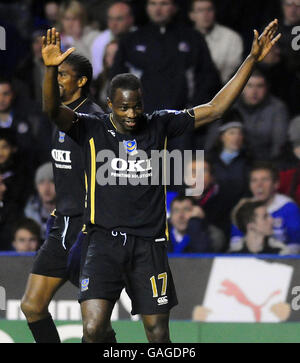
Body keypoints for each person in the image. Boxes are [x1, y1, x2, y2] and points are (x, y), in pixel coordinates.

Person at [41, 21, 280, 343]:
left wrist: (251, 59)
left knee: (157, 334)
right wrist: (49, 71)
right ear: (109, 105)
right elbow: (52, 109)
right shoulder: (91, 128)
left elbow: (216, 108)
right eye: (123, 107)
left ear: (143, 101)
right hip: (102, 244)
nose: (131, 113)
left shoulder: (161, 124)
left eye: (136, 105)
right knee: (94, 329)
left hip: (148, 246)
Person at [21, 53, 116, 343]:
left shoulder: (92, 119)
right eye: (56, 74)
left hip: (89, 229)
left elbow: (109, 176)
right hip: (61, 223)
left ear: (81, 80)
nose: (57, 79)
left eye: (62, 74)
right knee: (32, 306)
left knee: (95, 327)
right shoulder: (58, 113)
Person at [110, 0, 221, 113]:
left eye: (164, 4)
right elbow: (117, 79)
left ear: (174, 7)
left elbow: (207, 78)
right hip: (141, 120)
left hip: (183, 119)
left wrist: (193, 114)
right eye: (152, 4)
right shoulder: (131, 40)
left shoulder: (193, 38)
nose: (157, 9)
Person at [230, 162, 300, 254]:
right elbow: (235, 243)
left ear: (276, 184)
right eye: (254, 180)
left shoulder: (288, 207)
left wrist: (280, 257)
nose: (259, 185)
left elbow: (296, 244)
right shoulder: (244, 207)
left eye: (265, 179)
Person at [234, 68, 289, 160]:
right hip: (237, 163)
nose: (254, 92)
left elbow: (279, 145)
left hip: (267, 163)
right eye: (249, 86)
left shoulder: (278, 108)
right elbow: (213, 142)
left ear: (266, 88)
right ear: (241, 88)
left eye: (259, 86)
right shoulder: (232, 107)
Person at [189, 0, 244, 84]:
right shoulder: (184, 39)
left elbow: (233, 71)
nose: (205, 14)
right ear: (191, 15)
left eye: (209, 9)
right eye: (200, 10)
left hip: (223, 89)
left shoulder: (231, 38)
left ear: (215, 12)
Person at [91, 1, 135, 79]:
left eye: (119, 19)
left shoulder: (141, 38)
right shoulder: (99, 42)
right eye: (110, 19)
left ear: (130, 19)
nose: (113, 24)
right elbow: (98, 74)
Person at [24, 162, 56, 240]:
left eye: (52, 181)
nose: (46, 188)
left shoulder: (71, 213)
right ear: (36, 186)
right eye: (41, 182)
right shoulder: (29, 212)